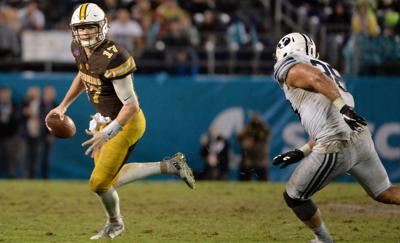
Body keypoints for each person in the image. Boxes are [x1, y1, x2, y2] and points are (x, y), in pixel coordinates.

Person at [45, 3, 195, 240]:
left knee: (98, 184)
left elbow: (132, 105)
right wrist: (63, 105)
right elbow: (83, 74)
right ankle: (171, 166)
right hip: (104, 120)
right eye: (80, 28)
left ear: (102, 26)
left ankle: (116, 224)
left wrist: (108, 132)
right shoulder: (78, 48)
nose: (84, 33)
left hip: (126, 122)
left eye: (90, 27)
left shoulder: (116, 56)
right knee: (108, 180)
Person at [272, 32, 400, 243]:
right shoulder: (327, 69)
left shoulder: (291, 66)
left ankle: (324, 241)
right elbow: (330, 108)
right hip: (360, 137)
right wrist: (302, 151)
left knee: (294, 196)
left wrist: (342, 108)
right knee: (384, 192)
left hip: (336, 144)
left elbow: (316, 79)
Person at [237, 115, 270, 181]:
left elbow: (267, 132)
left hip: (260, 161)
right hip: (248, 161)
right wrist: (248, 128)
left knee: (262, 182)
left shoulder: (263, 131)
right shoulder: (248, 131)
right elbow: (239, 136)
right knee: (244, 181)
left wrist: (261, 125)